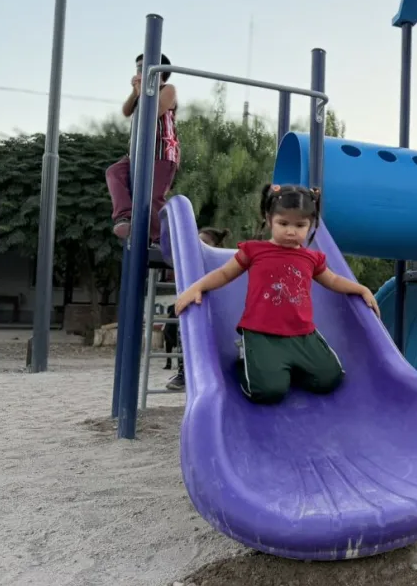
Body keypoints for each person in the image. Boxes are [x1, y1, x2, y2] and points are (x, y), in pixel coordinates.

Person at [174, 185, 379, 403]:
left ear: (311, 225)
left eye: (300, 225)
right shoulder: (254, 251)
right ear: (269, 218)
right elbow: (224, 274)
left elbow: (333, 280)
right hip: (262, 334)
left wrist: (362, 289)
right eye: (283, 223)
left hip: (302, 334)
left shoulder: (311, 258)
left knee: (330, 379)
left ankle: (283, 368)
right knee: (268, 392)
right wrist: (197, 287)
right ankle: (250, 360)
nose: (291, 231)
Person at [106, 53, 180, 245]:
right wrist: (135, 92)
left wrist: (141, 93)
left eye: (143, 67)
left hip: (161, 153)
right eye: (138, 68)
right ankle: (125, 216)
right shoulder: (141, 93)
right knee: (115, 172)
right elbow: (126, 111)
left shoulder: (167, 89)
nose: (139, 71)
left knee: (153, 196)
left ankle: (161, 239)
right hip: (138, 154)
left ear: (159, 71)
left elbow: (154, 111)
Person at [164, 227, 232, 392]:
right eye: (197, 241)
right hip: (197, 308)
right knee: (180, 322)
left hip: (217, 310)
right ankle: (183, 373)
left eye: (205, 243)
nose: (199, 246)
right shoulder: (190, 264)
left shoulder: (221, 264)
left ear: (215, 247)